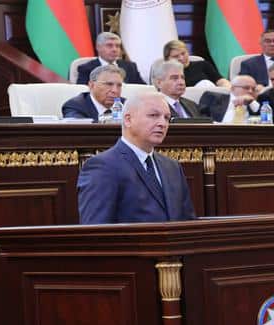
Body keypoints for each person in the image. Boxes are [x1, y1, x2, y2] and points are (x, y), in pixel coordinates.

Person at [77, 92, 196, 224]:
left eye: (167, 118)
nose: (162, 123)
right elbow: (96, 228)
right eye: (153, 115)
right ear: (128, 120)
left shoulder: (172, 167)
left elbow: (187, 221)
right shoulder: (102, 167)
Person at [62, 65, 126, 122]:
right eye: (109, 84)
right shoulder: (75, 106)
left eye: (119, 85)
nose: (115, 90)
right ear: (91, 85)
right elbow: (79, 128)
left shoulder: (126, 105)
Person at [76, 32, 144, 85]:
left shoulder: (131, 67)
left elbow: (142, 88)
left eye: (117, 46)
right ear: (98, 47)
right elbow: (82, 93)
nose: (114, 49)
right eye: (109, 45)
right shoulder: (86, 69)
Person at [164, 40, 230, 88]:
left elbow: (221, 81)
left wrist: (227, 87)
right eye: (176, 56)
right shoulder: (165, 73)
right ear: (167, 59)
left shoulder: (203, 65)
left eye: (183, 53)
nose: (181, 58)